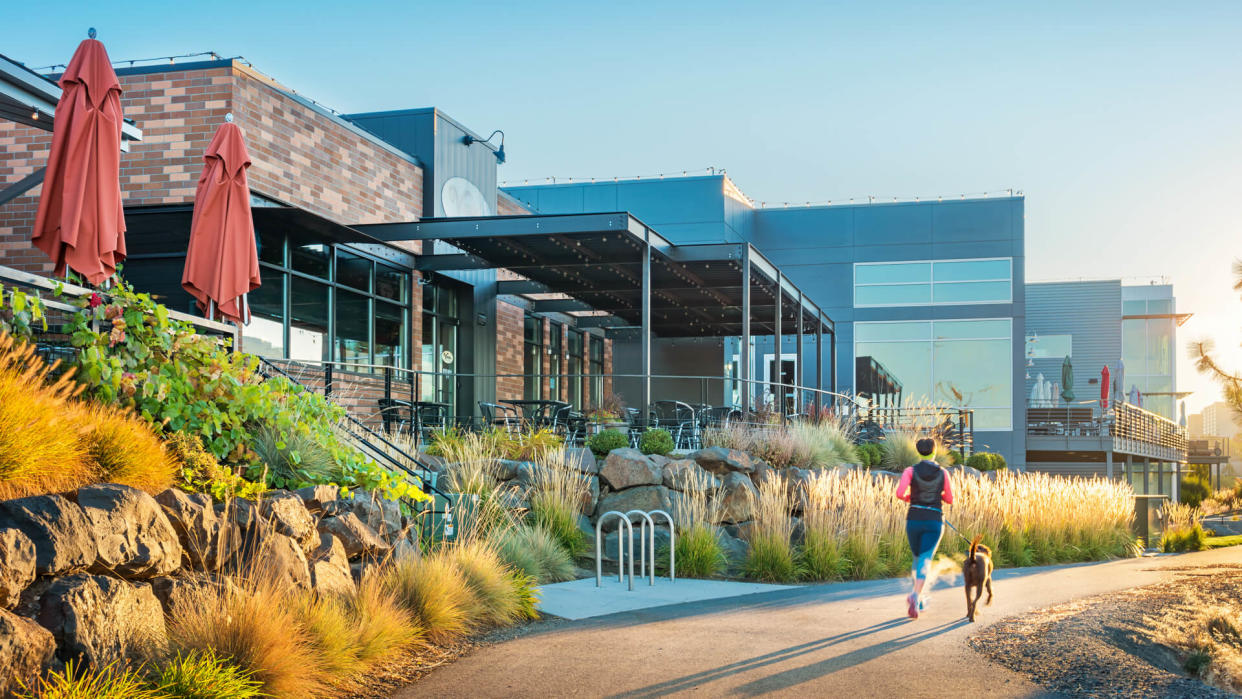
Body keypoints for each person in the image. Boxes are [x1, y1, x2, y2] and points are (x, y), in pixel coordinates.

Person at [894, 437, 954, 619]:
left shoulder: (910, 471)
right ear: (934, 451)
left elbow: (899, 493)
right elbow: (950, 499)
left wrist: (910, 498)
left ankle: (918, 599)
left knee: (917, 558)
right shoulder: (943, 473)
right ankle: (915, 595)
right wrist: (938, 497)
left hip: (914, 519)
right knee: (925, 560)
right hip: (934, 520)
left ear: (918, 452)